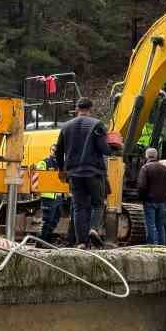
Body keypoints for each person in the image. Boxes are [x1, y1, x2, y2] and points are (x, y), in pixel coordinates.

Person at [55, 97, 110, 247]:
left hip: (74, 174)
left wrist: (61, 170)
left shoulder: (66, 127)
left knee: (79, 207)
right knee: (98, 204)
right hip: (93, 171)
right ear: (90, 109)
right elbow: (104, 149)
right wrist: (116, 146)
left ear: (77, 109)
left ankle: (81, 242)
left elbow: (58, 151)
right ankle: (93, 229)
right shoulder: (97, 124)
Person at [136, 146, 166, 247]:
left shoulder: (145, 168)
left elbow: (141, 186)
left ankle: (152, 246)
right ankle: (162, 246)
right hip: (162, 202)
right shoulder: (165, 169)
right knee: (160, 226)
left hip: (149, 201)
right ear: (157, 156)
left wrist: (142, 198)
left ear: (146, 156)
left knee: (150, 225)